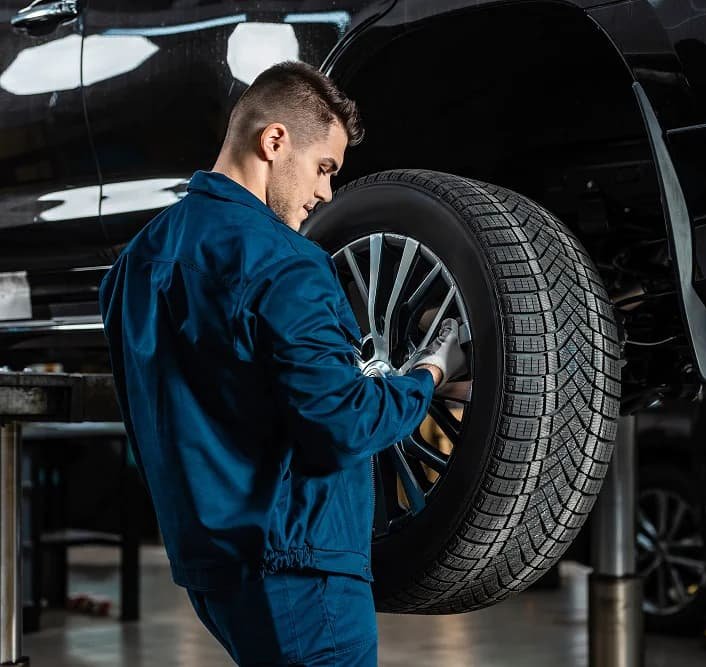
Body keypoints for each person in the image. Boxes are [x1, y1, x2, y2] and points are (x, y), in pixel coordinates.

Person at [97, 60, 466, 666]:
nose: (326, 192)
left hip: (210, 572)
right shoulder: (286, 263)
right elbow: (342, 426)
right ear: (274, 141)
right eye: (325, 167)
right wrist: (428, 372)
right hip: (299, 568)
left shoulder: (134, 267)